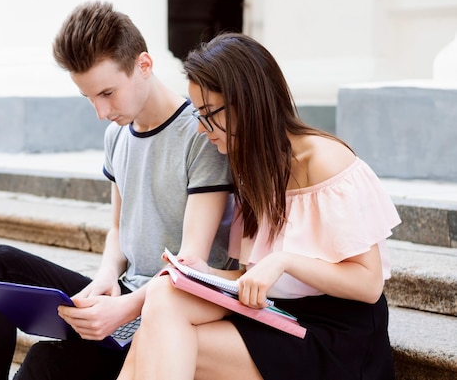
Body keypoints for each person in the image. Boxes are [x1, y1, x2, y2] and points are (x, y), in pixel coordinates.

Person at [0, 1, 235, 380]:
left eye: (107, 93)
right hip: (124, 296)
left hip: (172, 309)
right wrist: (107, 275)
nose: (100, 112)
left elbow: (191, 265)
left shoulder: (200, 134)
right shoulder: (117, 135)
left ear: (144, 65)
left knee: (45, 361)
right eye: (90, 97)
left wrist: (124, 310)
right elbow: (118, 227)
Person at [116, 32, 401, 380]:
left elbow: (369, 285)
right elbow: (253, 277)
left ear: (246, 102)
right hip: (276, 315)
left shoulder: (324, 160)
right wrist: (199, 272)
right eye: (198, 117)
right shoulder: (251, 168)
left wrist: (283, 261)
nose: (203, 130)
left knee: (156, 340)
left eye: (209, 115)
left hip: (337, 336)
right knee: (164, 296)